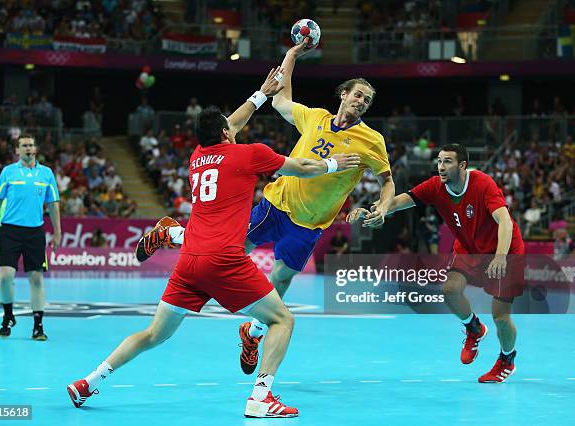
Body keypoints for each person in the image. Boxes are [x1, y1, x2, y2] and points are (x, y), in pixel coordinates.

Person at [66, 67, 360, 418]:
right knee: (283, 320)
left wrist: (261, 94)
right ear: (225, 132)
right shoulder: (249, 154)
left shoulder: (196, 157)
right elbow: (302, 167)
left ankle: (88, 381)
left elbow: (229, 125)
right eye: (229, 126)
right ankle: (261, 398)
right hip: (223, 261)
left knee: (153, 335)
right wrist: (333, 163)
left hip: (189, 260)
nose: (234, 127)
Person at [237, 39, 394, 375]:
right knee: (234, 250)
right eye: (357, 95)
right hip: (277, 203)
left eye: (367, 100)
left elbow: (387, 181)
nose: (361, 102)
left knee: (280, 279)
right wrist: (292, 55)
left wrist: (383, 206)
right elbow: (280, 99)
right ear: (344, 95)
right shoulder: (315, 118)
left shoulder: (372, 141)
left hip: (309, 224)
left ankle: (253, 333)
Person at [348, 144, 525, 383]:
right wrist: (378, 210)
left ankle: (507, 359)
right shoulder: (436, 186)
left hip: (504, 249)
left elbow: (504, 220)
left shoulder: (482, 183)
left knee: (501, 317)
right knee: (450, 290)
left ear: (462, 165)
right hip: (469, 249)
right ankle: (474, 328)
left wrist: (501, 256)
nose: (441, 167)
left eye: (448, 162)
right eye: (439, 161)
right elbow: (404, 200)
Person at [0, 135, 61, 340]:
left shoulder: (46, 173)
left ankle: (38, 326)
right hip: (9, 231)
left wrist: (57, 232)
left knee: (36, 279)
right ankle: (8, 315)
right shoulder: (8, 172)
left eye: (31, 145)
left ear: (35, 149)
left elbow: (53, 204)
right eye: (24, 146)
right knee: (5, 277)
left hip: (35, 232)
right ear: (17, 150)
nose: (28, 148)